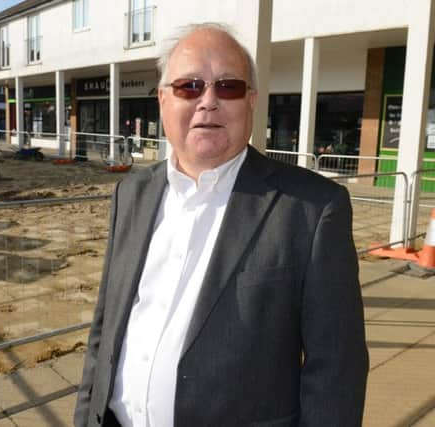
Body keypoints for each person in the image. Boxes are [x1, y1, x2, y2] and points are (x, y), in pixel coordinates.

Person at [74, 23, 368, 427]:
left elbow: (337, 370)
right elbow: (105, 329)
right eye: (189, 87)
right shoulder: (131, 194)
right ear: (162, 100)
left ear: (251, 101)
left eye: (227, 86)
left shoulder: (313, 209)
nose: (208, 101)